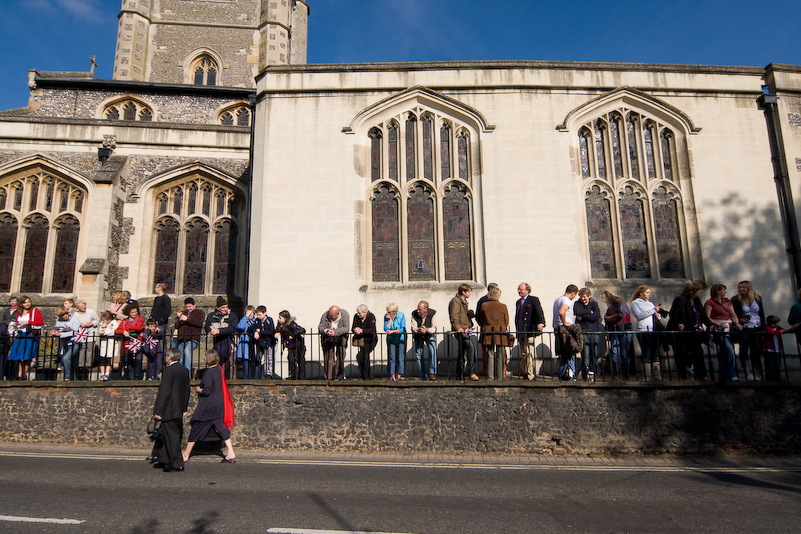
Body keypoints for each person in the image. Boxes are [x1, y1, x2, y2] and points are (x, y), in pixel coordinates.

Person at [182, 350, 236, 464]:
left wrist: (199, 389)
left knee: (196, 428)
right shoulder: (219, 370)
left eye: (206, 357)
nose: (204, 359)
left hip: (208, 407)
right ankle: (230, 451)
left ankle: (186, 454)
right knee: (222, 428)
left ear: (209, 359)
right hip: (219, 404)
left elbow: (207, 391)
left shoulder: (208, 373)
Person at [153, 347, 190, 472]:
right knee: (165, 434)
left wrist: (159, 411)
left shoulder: (168, 371)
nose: (165, 358)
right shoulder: (184, 370)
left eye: (166, 356)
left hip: (169, 408)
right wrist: (184, 408)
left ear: (170, 357)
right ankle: (165, 459)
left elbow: (165, 392)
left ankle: (176, 462)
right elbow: (186, 391)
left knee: (172, 436)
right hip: (178, 408)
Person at [667, 282, 713, 381]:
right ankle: (684, 376)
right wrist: (679, 323)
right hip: (684, 332)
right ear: (693, 291)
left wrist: (709, 324)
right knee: (682, 353)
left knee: (698, 353)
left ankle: (701, 375)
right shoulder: (681, 299)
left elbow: (702, 313)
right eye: (698, 290)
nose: (700, 292)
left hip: (695, 331)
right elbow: (674, 313)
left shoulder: (696, 300)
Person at [704, 284, 740, 382]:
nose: (725, 292)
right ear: (718, 291)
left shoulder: (727, 301)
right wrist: (718, 324)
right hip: (718, 329)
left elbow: (733, 314)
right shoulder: (710, 302)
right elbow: (707, 317)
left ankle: (724, 375)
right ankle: (733, 374)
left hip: (728, 327)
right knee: (729, 349)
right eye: (723, 290)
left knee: (724, 352)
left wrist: (736, 322)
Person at [732, 280, 766, 381]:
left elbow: (761, 313)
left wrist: (763, 326)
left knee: (756, 350)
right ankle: (747, 372)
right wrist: (740, 320)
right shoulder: (736, 299)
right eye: (740, 287)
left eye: (744, 287)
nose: (741, 289)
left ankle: (758, 372)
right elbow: (733, 314)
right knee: (744, 349)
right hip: (745, 328)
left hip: (757, 326)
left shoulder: (757, 298)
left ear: (749, 288)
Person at [477, 286, 512, 380]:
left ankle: (490, 376)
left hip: (488, 332)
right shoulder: (503, 306)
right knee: (500, 355)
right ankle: (500, 376)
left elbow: (481, 319)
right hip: (500, 332)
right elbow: (506, 321)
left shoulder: (484, 305)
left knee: (489, 354)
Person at [630, 285, 663, 382]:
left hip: (654, 329)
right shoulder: (635, 303)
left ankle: (657, 375)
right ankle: (647, 375)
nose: (649, 294)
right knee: (646, 353)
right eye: (647, 292)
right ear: (641, 293)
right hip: (644, 330)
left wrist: (657, 315)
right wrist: (653, 310)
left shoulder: (650, 303)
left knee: (655, 353)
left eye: (649, 293)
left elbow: (655, 316)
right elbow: (639, 315)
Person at [7, 296, 44, 380]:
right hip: (20, 334)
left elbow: (40, 322)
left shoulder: (34, 311)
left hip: (29, 334)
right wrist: (15, 324)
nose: (27, 304)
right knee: (19, 356)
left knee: (27, 355)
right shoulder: (18, 312)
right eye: (25, 302)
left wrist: (28, 322)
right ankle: (19, 374)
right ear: (21, 304)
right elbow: (15, 320)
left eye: (28, 302)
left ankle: (24, 374)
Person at [515, 283, 546, 381]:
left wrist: (541, 323)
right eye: (518, 289)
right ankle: (524, 372)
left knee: (529, 353)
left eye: (521, 289)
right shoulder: (518, 302)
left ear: (527, 290)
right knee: (523, 353)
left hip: (530, 330)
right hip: (521, 331)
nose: (519, 291)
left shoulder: (533, 300)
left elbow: (539, 312)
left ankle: (530, 374)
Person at [449, 283, 478, 381]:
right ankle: (472, 372)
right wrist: (458, 328)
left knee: (462, 352)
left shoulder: (463, 301)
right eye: (469, 291)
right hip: (461, 331)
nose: (470, 293)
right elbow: (454, 315)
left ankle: (459, 373)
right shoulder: (456, 301)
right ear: (463, 292)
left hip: (466, 329)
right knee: (471, 347)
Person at [205, 297, 238, 379]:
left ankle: (231, 381)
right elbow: (207, 326)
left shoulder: (232, 315)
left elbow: (232, 328)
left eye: (226, 307)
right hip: (217, 344)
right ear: (218, 308)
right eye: (223, 307)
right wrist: (211, 331)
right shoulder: (212, 316)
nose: (225, 309)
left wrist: (219, 331)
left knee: (231, 363)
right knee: (219, 363)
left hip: (231, 343)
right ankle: (220, 380)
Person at [602, 290, 633, 380]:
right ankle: (615, 375)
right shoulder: (610, 308)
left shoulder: (621, 303)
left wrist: (611, 317)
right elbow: (606, 318)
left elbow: (623, 313)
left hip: (624, 330)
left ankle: (625, 375)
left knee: (624, 353)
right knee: (615, 353)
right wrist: (612, 317)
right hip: (613, 331)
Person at [574, 287, 602, 381]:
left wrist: (583, 316)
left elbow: (596, 316)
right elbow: (577, 312)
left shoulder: (594, 304)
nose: (583, 299)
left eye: (584, 297)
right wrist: (589, 312)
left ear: (589, 296)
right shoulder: (577, 304)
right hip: (583, 332)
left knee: (594, 355)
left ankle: (594, 375)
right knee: (585, 356)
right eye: (581, 297)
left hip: (594, 332)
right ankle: (585, 375)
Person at [172, 297, 205, 375]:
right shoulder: (184, 313)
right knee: (180, 355)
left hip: (193, 338)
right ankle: (180, 373)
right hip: (182, 338)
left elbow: (199, 323)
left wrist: (187, 320)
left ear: (194, 305)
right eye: (186, 307)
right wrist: (181, 319)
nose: (188, 308)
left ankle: (188, 373)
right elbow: (176, 325)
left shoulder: (199, 312)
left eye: (190, 306)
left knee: (187, 350)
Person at [553, 284, 580, 380]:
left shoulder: (557, 300)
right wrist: (565, 322)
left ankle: (563, 375)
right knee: (571, 351)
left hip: (558, 329)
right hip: (565, 330)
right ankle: (571, 375)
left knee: (563, 354)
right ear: (573, 293)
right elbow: (561, 311)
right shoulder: (566, 300)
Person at [49, 306, 82, 381]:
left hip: (74, 342)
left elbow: (75, 332)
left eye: (66, 314)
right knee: (69, 362)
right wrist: (54, 332)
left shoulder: (75, 320)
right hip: (64, 342)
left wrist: (61, 334)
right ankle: (73, 379)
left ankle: (67, 377)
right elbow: (57, 328)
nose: (65, 316)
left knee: (66, 358)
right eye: (62, 315)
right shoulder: (60, 320)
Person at [318, 306, 350, 380]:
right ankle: (328, 377)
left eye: (332, 316)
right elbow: (320, 327)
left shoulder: (345, 315)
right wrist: (326, 330)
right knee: (328, 357)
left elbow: (346, 328)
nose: (330, 317)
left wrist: (335, 332)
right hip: (328, 339)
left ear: (338, 314)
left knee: (341, 355)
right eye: (330, 315)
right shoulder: (325, 315)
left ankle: (337, 375)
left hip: (341, 338)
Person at [410, 300, 438, 381]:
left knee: (432, 350)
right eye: (418, 309)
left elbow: (434, 328)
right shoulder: (414, 314)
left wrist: (427, 329)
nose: (418, 311)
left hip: (429, 333)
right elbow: (413, 327)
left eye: (420, 310)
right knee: (419, 354)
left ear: (426, 309)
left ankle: (432, 373)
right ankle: (423, 375)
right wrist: (419, 330)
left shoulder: (433, 313)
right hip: (418, 334)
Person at [72, 299, 99, 380]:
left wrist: (90, 323)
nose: (84, 307)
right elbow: (74, 322)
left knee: (89, 349)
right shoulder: (75, 314)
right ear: (78, 307)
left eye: (84, 305)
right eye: (82, 306)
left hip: (90, 333)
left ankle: (88, 365)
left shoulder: (91, 311)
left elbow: (97, 320)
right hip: (81, 334)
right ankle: (81, 365)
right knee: (82, 349)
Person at [475, 283, 498, 378]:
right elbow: (478, 316)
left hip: (487, 329)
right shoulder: (484, 301)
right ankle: (490, 373)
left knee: (489, 353)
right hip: (492, 330)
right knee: (488, 352)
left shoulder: (483, 300)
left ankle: (489, 373)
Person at [117, 304, 145, 380]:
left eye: (135, 312)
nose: (134, 314)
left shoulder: (140, 319)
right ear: (128, 313)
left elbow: (139, 327)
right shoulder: (124, 321)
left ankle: (137, 376)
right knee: (128, 360)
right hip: (127, 344)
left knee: (138, 359)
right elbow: (117, 330)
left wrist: (128, 328)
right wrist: (123, 332)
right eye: (132, 312)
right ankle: (130, 376)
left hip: (137, 343)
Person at [351, 304, 377, 380]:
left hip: (370, 339)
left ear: (365, 312)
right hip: (361, 340)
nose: (358, 314)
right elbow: (353, 328)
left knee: (364, 356)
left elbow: (372, 329)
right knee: (361, 357)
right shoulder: (356, 317)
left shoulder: (371, 316)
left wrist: (362, 330)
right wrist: (355, 330)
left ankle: (366, 375)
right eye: (358, 313)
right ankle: (365, 375)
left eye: (360, 313)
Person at [278, 310, 306, 380]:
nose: (278, 319)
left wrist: (293, 335)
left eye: (280, 318)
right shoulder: (280, 325)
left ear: (285, 318)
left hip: (298, 345)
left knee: (300, 361)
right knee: (291, 359)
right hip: (290, 346)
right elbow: (277, 330)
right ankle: (292, 376)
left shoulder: (292, 324)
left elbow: (302, 330)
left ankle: (301, 377)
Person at [250, 306, 276, 379]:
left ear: (265, 313)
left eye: (259, 314)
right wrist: (255, 332)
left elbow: (270, 331)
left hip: (268, 342)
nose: (258, 316)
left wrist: (260, 332)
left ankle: (268, 374)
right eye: (257, 315)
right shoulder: (257, 321)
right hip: (260, 343)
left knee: (268, 359)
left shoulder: (269, 320)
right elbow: (254, 328)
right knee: (258, 358)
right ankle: (257, 374)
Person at [762, 315, 790, 381]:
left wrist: (791, 329)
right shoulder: (767, 327)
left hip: (777, 349)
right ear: (772, 324)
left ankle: (777, 377)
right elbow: (771, 333)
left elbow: (784, 330)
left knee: (777, 365)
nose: (779, 324)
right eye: (777, 323)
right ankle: (769, 377)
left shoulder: (778, 328)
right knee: (770, 364)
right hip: (769, 349)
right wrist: (780, 332)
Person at [384, 303, 406, 381]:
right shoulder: (386, 316)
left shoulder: (401, 315)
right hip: (391, 339)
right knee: (392, 357)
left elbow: (402, 329)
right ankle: (392, 375)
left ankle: (399, 375)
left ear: (394, 312)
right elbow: (386, 328)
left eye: (389, 311)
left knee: (400, 357)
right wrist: (389, 319)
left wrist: (393, 331)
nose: (387, 313)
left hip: (400, 339)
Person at [97, 312, 120, 381]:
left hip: (110, 342)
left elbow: (113, 331)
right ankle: (102, 374)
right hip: (104, 342)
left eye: (104, 320)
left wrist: (104, 331)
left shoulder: (114, 323)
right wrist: (102, 328)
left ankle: (107, 374)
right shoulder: (102, 323)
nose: (103, 321)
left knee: (108, 359)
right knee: (102, 359)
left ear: (109, 320)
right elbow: (99, 330)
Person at [236, 305, 256, 379]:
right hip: (245, 346)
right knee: (245, 364)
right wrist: (246, 317)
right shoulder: (244, 320)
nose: (250, 315)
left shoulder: (256, 321)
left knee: (253, 364)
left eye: (251, 314)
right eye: (248, 314)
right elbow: (240, 327)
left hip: (252, 345)